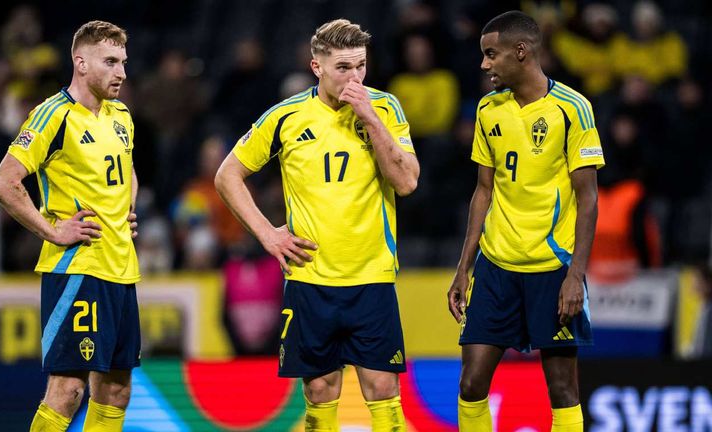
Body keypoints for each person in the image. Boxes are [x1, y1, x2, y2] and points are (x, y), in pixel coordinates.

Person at [215, 19, 419, 432]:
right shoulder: (286, 117)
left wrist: (371, 120)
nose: (355, 77)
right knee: (321, 390)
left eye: (361, 66)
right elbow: (227, 175)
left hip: (371, 276)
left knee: (382, 388)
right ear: (317, 67)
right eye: (343, 67)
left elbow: (407, 182)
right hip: (311, 278)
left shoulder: (385, 106)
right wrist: (268, 234)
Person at [446, 11, 604, 432]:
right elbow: (483, 190)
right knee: (470, 383)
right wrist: (464, 268)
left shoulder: (573, 109)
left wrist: (576, 276)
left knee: (563, 392)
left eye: (491, 54)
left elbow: (588, 200)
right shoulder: (487, 109)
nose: (484, 64)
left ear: (522, 51)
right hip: (497, 267)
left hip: (551, 269)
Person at [0, 21, 140, 432]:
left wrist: (125, 206)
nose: (121, 72)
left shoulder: (121, 116)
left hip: (121, 267)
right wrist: (54, 232)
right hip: (76, 269)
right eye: (110, 61)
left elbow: (127, 170)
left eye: (123, 62)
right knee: (69, 390)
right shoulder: (52, 115)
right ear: (81, 62)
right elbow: (4, 183)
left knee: (116, 388)